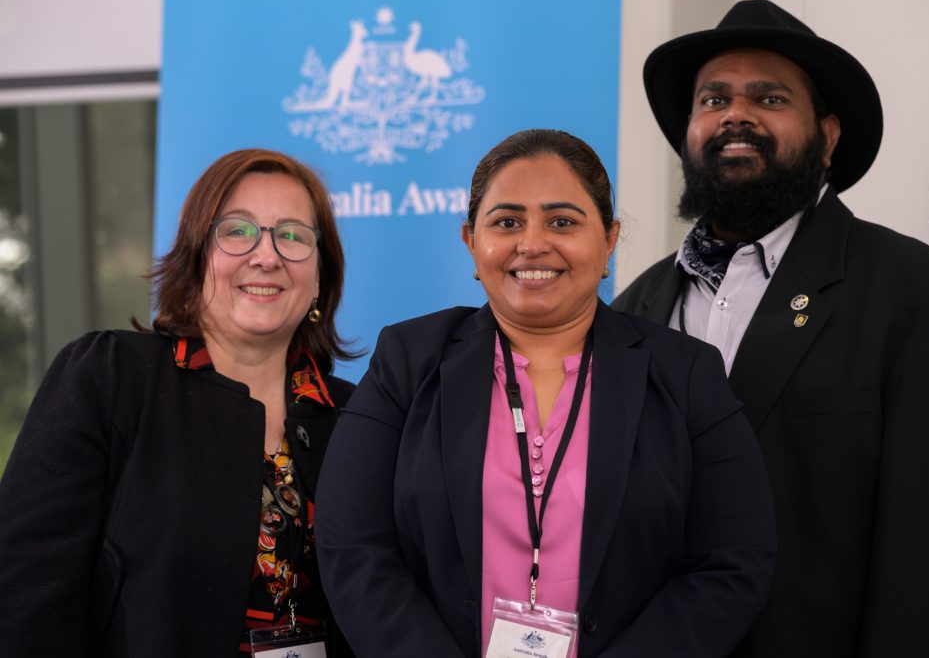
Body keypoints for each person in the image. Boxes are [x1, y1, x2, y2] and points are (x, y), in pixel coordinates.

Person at [612, 0, 929, 657]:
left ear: (826, 137)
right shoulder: (629, 312)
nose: (735, 114)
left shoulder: (922, 298)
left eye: (769, 97)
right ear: (689, 132)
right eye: (713, 100)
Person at [315, 128, 776, 658]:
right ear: (471, 242)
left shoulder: (685, 373)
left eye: (562, 221)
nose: (532, 243)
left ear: (607, 241)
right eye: (507, 222)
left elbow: (734, 560)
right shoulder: (408, 360)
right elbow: (353, 546)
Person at [0, 148, 359, 657]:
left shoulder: (357, 417)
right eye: (238, 231)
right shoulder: (109, 377)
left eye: (293, 236)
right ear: (195, 257)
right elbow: (26, 595)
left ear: (320, 276)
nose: (267, 255)